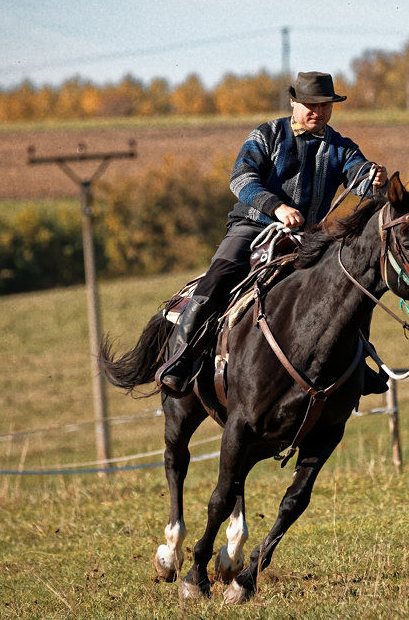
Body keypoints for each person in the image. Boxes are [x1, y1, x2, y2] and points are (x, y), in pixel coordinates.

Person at [156, 71, 388, 395]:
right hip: (252, 228)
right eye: (309, 104)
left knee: (347, 282)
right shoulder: (268, 134)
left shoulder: (341, 148)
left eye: (324, 106)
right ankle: (179, 359)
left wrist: (374, 180)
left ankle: (359, 362)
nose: (317, 112)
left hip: (307, 239)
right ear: (294, 102)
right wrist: (277, 208)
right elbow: (240, 179)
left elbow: (359, 176)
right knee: (219, 276)